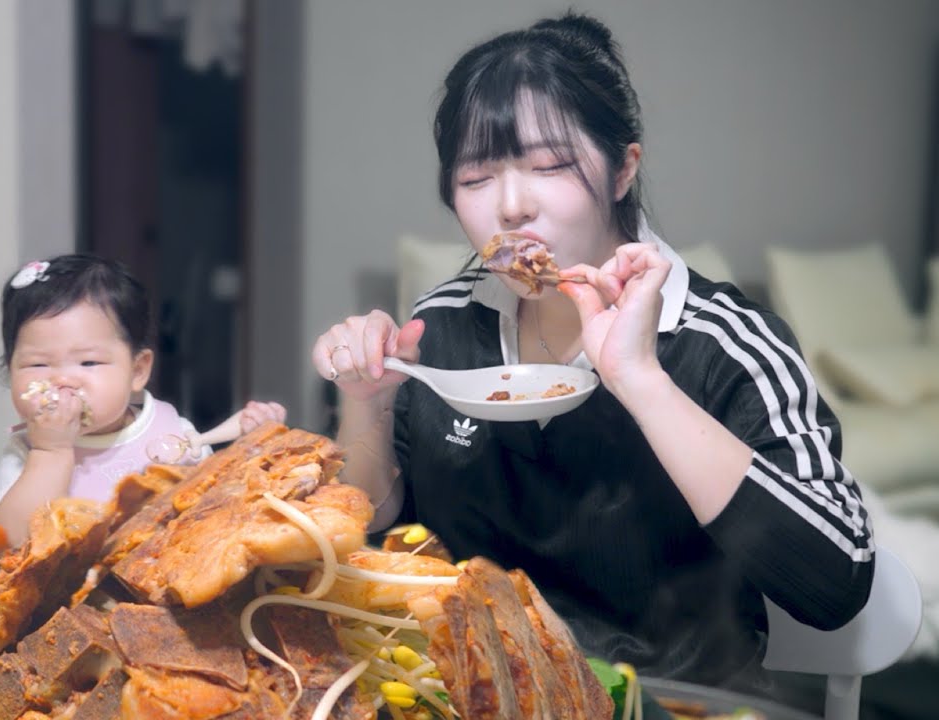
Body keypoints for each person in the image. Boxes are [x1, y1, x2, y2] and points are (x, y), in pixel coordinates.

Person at [311, 9, 873, 696]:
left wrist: (641, 380)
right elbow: (369, 523)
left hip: (671, 701)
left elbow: (835, 582)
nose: (511, 207)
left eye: (549, 165)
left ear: (622, 170)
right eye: (476, 177)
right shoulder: (444, 325)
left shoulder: (725, 342)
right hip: (471, 692)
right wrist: (366, 404)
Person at [0, 253, 285, 545]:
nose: (63, 381)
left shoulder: (174, 435)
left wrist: (254, 448)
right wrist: (51, 452)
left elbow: (218, 515)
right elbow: (11, 543)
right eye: (38, 365)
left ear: (137, 371)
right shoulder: (26, 454)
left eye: (89, 362)